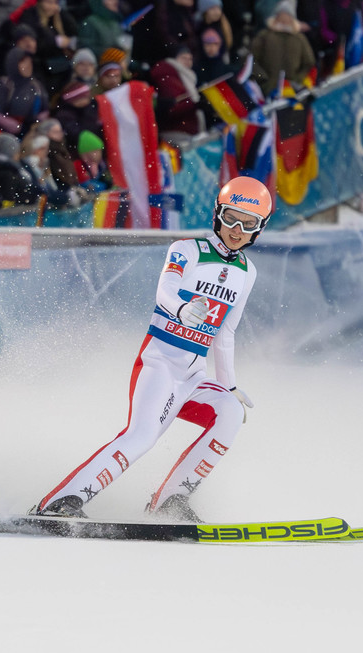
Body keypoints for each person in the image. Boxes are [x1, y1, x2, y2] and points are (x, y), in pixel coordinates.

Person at [31, 175, 273, 521]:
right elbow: (164, 291)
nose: (236, 229)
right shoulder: (188, 249)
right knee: (142, 436)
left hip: (192, 376)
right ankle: (58, 503)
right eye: (231, 218)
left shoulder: (247, 272)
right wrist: (181, 309)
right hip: (159, 364)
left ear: (259, 229)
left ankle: (169, 503)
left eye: (248, 224)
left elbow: (226, 333)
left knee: (231, 412)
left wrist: (229, 385)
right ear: (217, 215)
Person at [249, 0, 317, 94]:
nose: (284, 18)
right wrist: (262, 79)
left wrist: (298, 80)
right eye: (281, 15)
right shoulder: (264, 36)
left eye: (287, 15)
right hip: (268, 89)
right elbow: (251, 60)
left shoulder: (299, 38)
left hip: (292, 88)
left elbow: (309, 62)